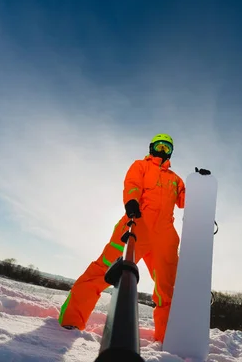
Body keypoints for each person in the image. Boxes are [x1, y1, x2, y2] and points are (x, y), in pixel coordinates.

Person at [58, 133, 186, 343]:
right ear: (152, 147)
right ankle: (71, 319)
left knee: (168, 289)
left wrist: (202, 185)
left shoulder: (175, 179)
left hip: (165, 235)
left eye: (167, 148)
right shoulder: (141, 166)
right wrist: (132, 202)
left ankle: (167, 338)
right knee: (103, 269)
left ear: (171, 152)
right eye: (159, 146)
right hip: (137, 223)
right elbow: (132, 184)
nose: (162, 151)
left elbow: (185, 200)